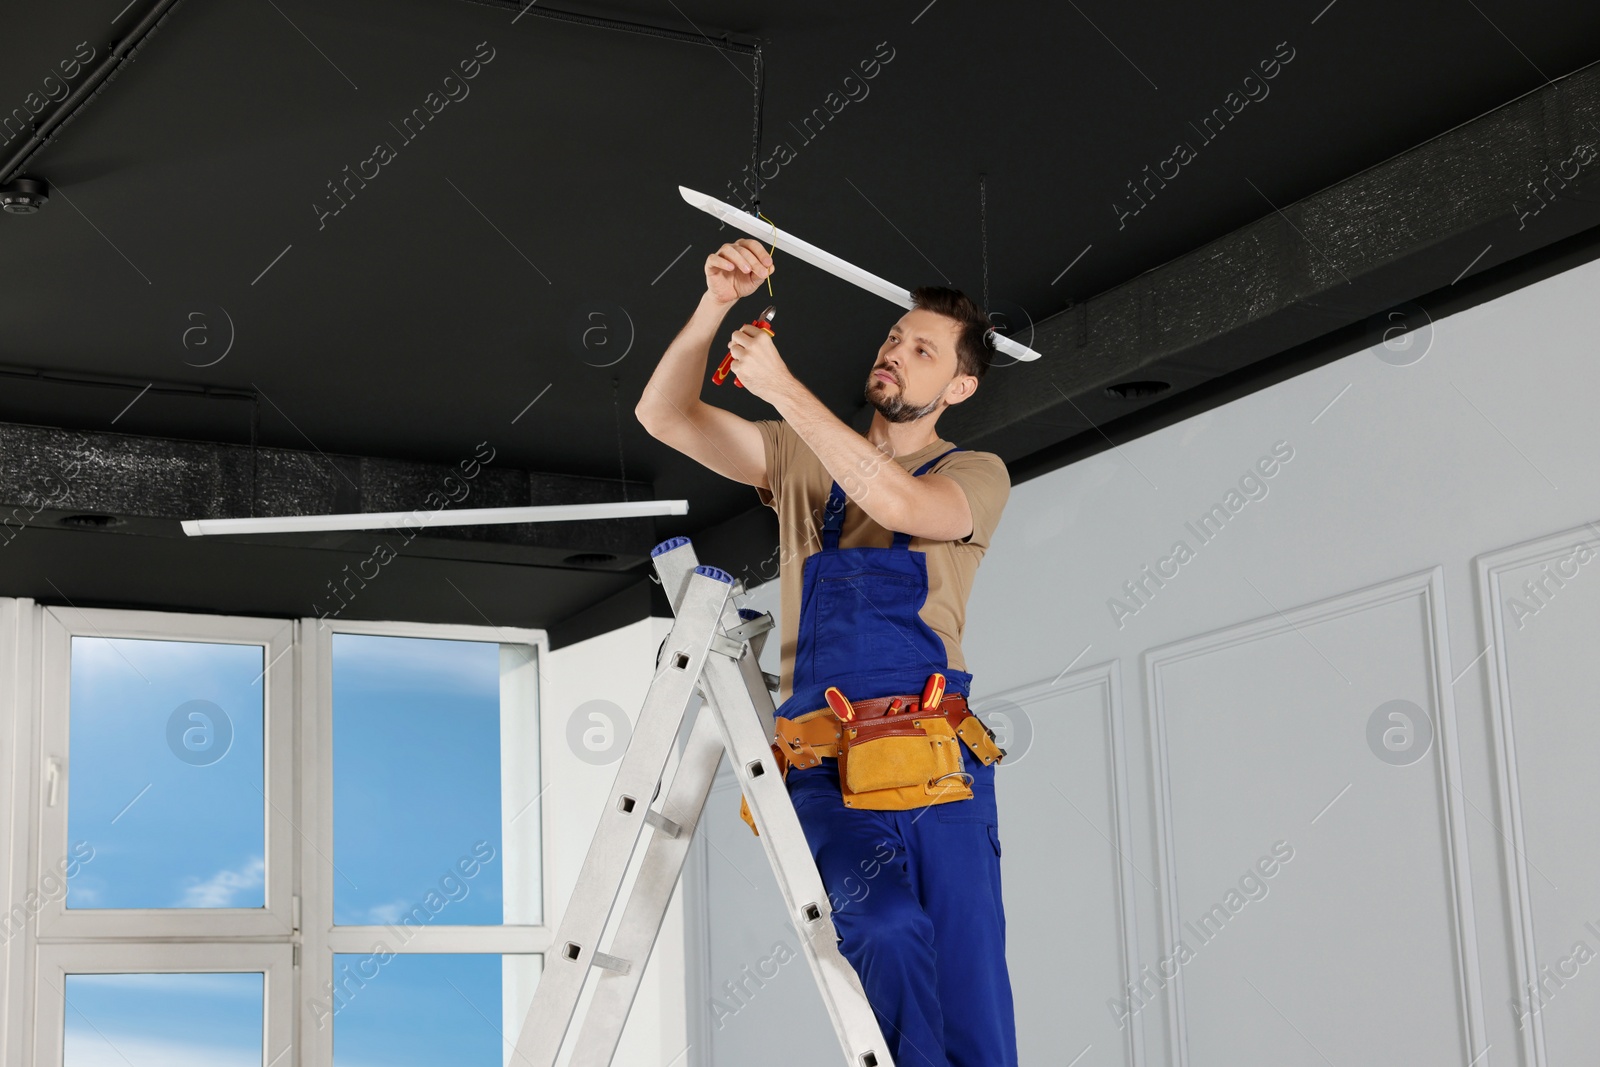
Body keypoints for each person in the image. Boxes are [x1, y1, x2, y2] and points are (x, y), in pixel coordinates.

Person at [635, 238, 1017, 1067]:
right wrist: (713, 306)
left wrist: (779, 387)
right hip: (826, 768)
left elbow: (901, 497)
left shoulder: (976, 471)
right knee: (881, 925)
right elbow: (663, 416)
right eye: (893, 339)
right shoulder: (801, 457)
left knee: (973, 1000)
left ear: (958, 386)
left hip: (941, 768)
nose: (895, 352)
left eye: (922, 350)